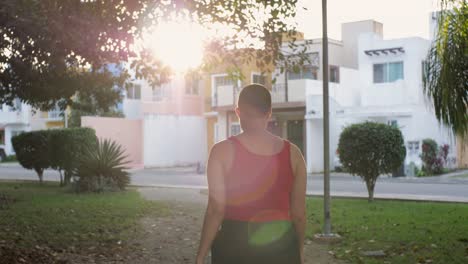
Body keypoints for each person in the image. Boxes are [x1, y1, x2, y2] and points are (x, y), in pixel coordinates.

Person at [196, 84, 307, 264]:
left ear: (238, 112)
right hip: (282, 246)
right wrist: (299, 251)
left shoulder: (221, 152)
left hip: (235, 246)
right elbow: (299, 214)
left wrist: (200, 256)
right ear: (269, 113)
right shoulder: (294, 154)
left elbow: (216, 210)